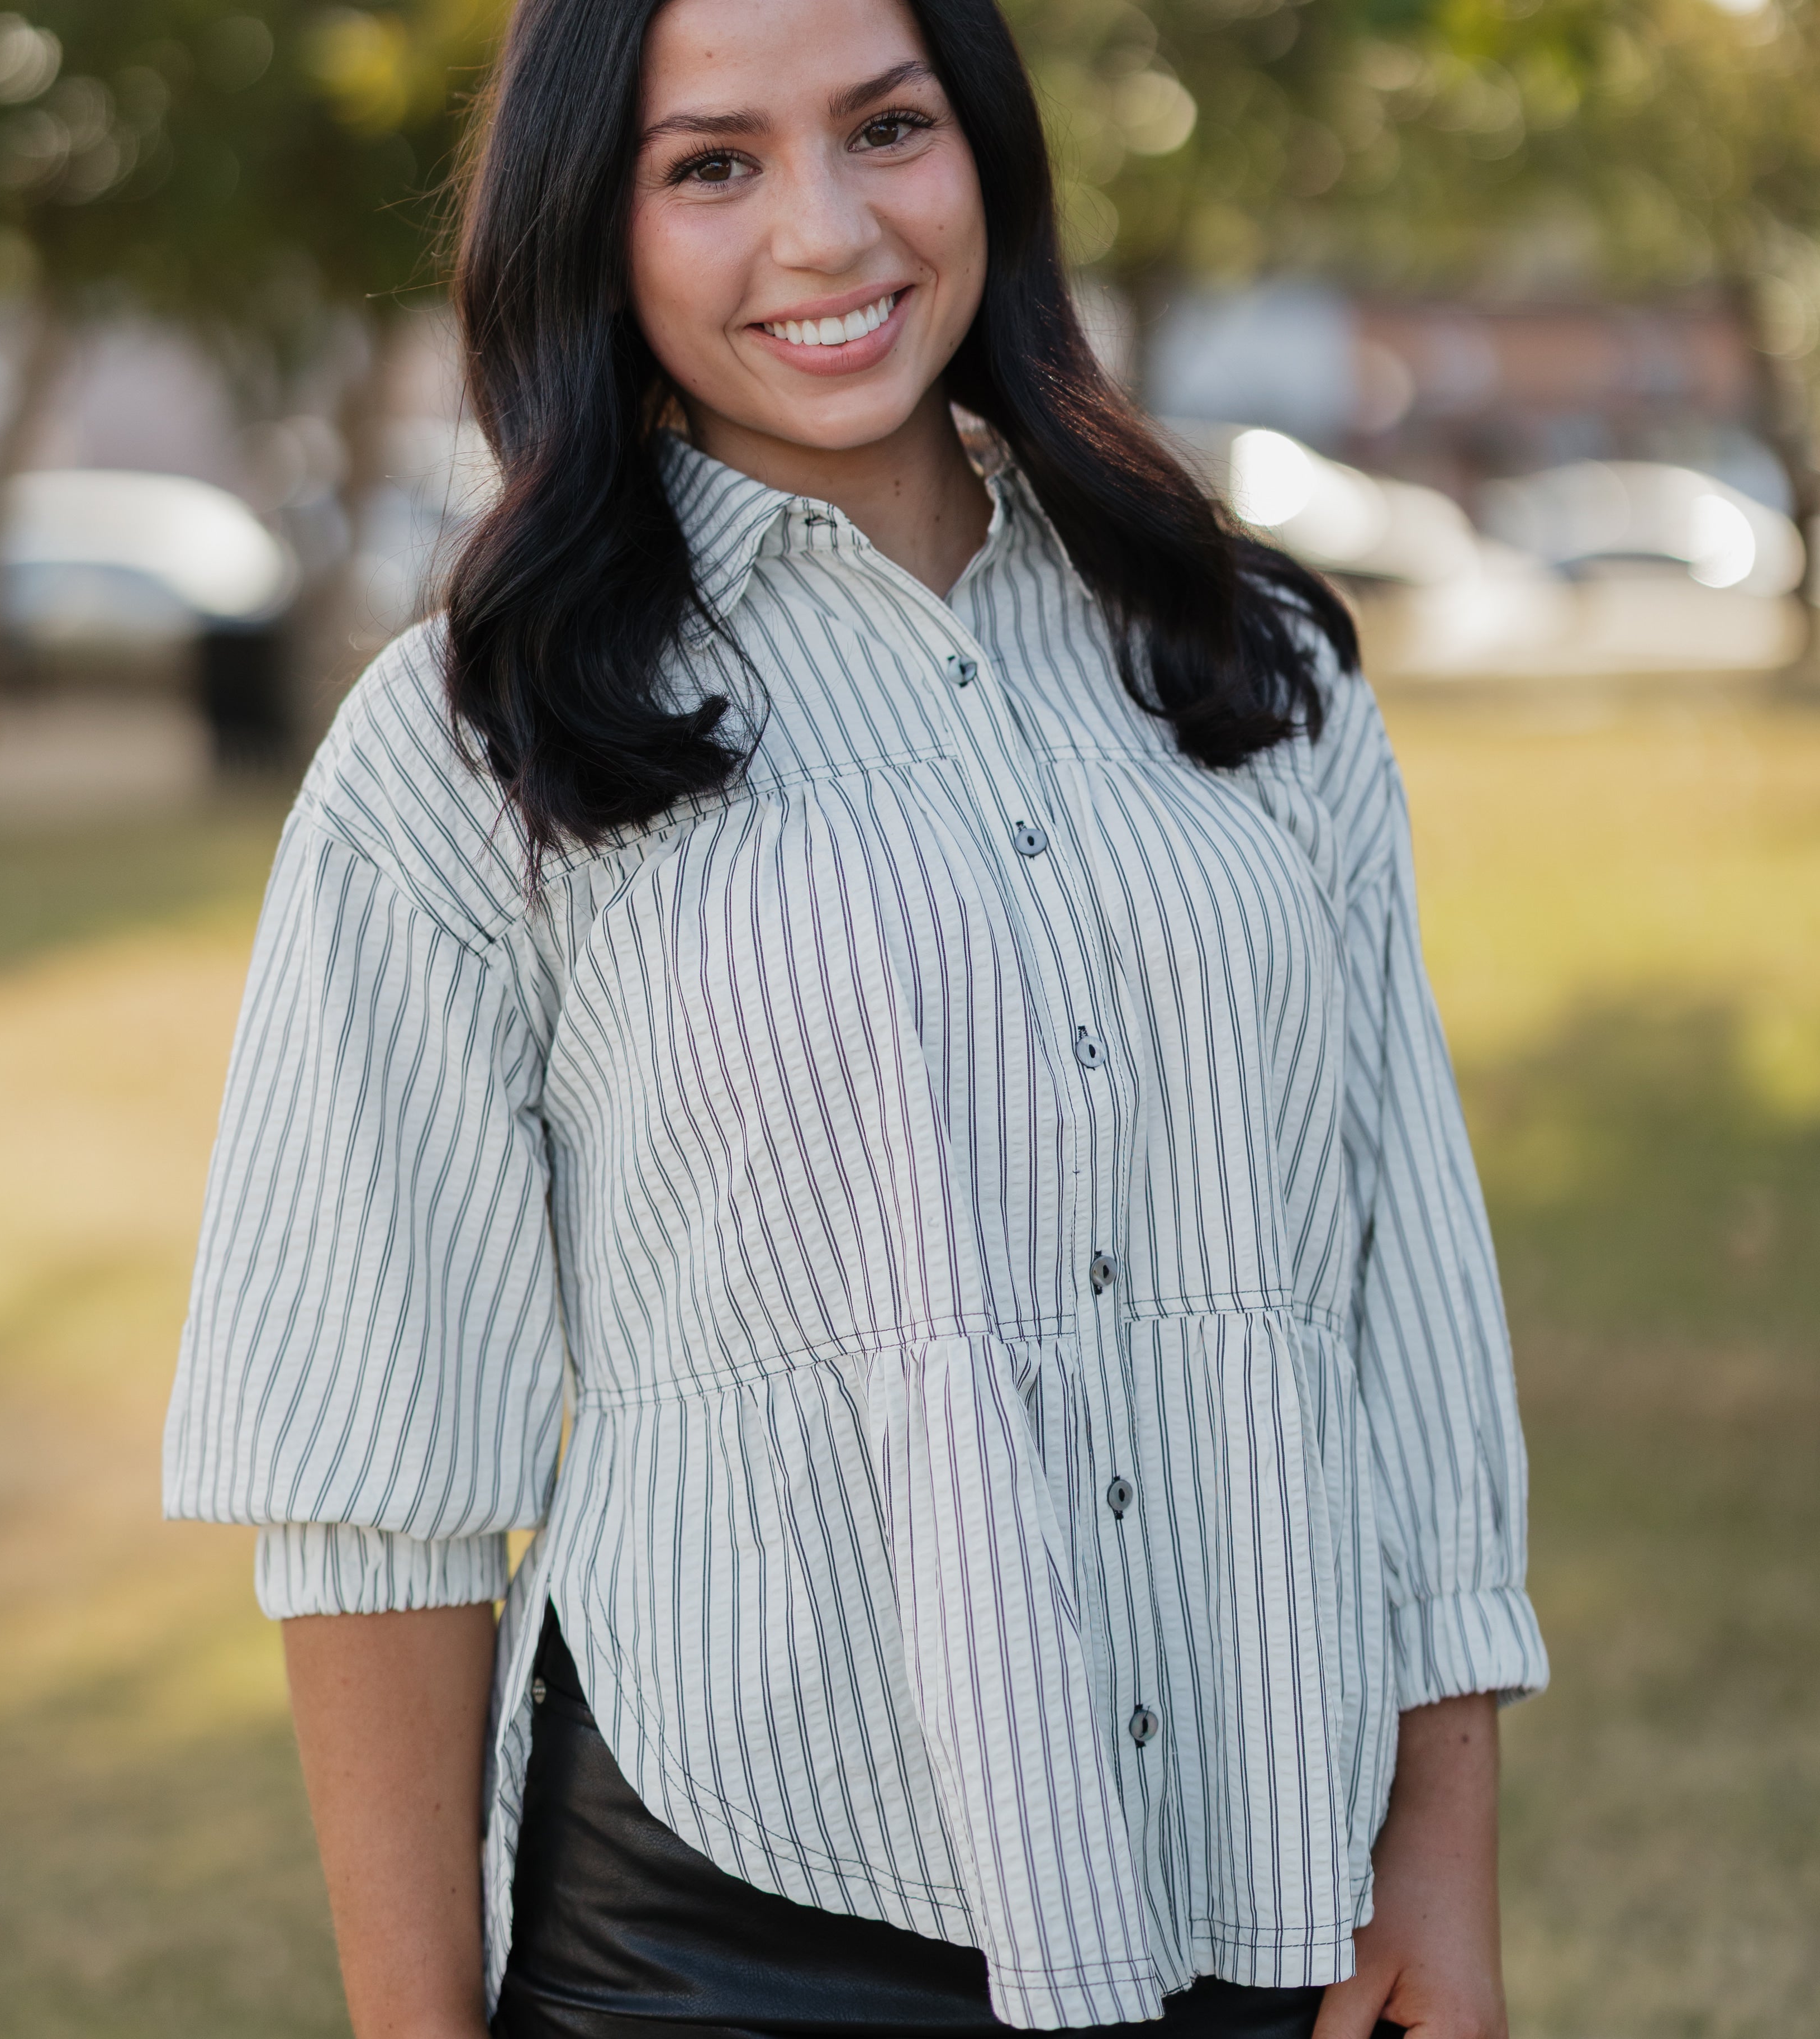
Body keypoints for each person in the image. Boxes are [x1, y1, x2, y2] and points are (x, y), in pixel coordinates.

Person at [163, 0, 1549, 2033]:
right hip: (732, 1924)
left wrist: (1434, 1848)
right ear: (595, 228)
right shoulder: (474, 739)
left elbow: (1399, 1296)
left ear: (984, 150)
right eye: (709, 164)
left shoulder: (1248, 665)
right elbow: (386, 1472)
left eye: (886, 128)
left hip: (1266, 1890)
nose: (824, 232)